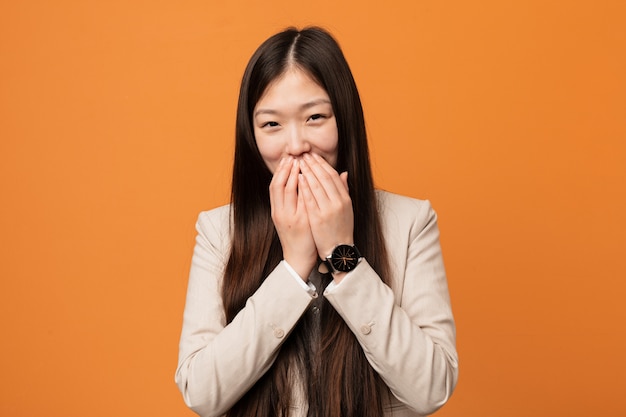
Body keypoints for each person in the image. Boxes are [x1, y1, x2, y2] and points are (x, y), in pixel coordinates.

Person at [175, 26, 458, 417]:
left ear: (345, 120)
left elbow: (431, 389)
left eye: (315, 117)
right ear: (251, 136)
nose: (296, 146)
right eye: (271, 124)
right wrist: (293, 268)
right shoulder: (219, 231)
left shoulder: (410, 223)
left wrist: (343, 255)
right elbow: (202, 393)